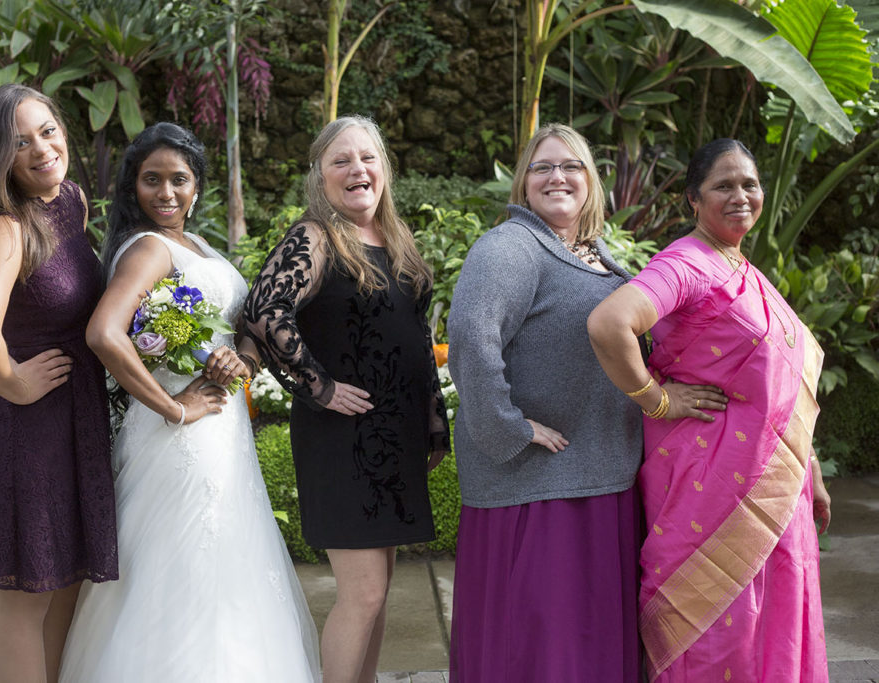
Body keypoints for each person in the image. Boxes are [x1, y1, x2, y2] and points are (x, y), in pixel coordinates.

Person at [58, 122, 320, 682]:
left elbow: (240, 327)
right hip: (180, 436)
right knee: (183, 567)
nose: (167, 192)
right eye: (152, 180)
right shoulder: (149, 248)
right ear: (134, 187)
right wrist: (173, 407)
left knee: (224, 563)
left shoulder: (195, 246)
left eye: (179, 179)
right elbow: (105, 333)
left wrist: (240, 358)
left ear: (197, 186)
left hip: (220, 431)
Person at [587, 138, 831, 682]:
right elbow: (610, 323)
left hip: (773, 486)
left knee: (773, 626)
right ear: (693, 200)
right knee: (717, 634)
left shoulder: (739, 265)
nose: (740, 195)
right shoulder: (690, 263)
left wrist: (809, 466)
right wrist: (657, 399)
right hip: (710, 490)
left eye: (749, 183)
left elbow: (779, 383)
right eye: (723, 185)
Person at [243, 115, 449, 683]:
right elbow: (264, 311)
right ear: (321, 176)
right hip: (343, 440)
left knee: (379, 595)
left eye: (368, 158)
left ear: (383, 167)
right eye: (341, 161)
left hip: (393, 438)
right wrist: (318, 385)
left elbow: (416, 337)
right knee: (362, 596)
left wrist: (433, 421)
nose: (357, 169)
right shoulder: (315, 236)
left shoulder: (397, 239)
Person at [446, 123, 644, 682]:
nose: (557, 176)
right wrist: (509, 429)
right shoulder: (511, 247)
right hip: (537, 487)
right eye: (542, 167)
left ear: (591, 181)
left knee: (590, 647)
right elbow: (470, 336)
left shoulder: (596, 253)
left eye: (571, 166)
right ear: (523, 183)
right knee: (538, 648)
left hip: (601, 475)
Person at [0, 84, 118, 682]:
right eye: (20, 142)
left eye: (47, 131)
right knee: (28, 593)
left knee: (66, 580)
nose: (42, 149)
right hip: (25, 425)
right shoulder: (6, 229)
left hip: (72, 417)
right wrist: (17, 384)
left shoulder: (70, 200)